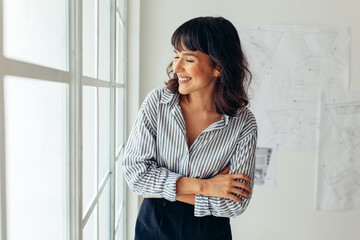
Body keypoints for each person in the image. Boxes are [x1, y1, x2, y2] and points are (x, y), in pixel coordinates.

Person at [123, 16, 257, 240]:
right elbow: (136, 177)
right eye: (176, 56)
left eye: (189, 59)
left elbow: (235, 205)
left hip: (210, 232)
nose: (176, 66)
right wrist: (206, 187)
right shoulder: (157, 102)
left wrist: (159, 190)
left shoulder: (243, 123)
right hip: (154, 227)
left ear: (219, 66)